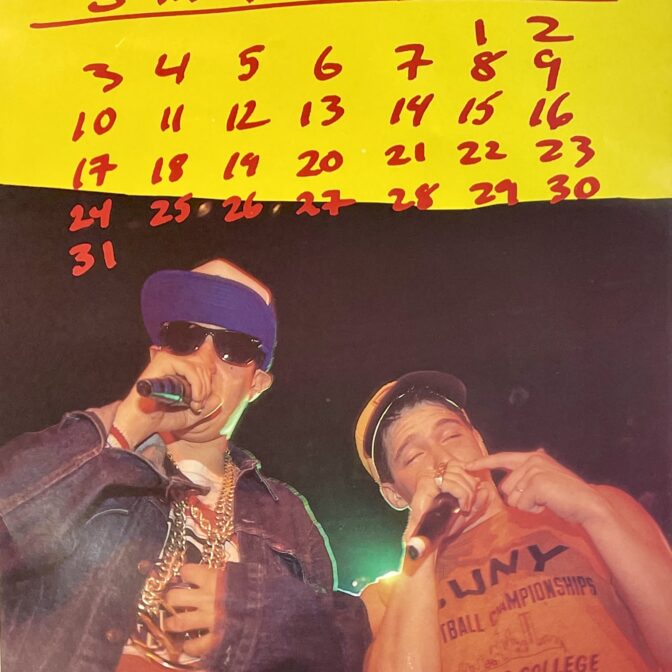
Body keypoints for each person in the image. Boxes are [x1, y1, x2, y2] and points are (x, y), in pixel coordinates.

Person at [0, 258, 369, 672]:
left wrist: (255, 613)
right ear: (157, 356)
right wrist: (123, 429)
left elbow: (345, 645)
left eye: (233, 348)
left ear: (257, 384)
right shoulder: (89, 459)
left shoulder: (285, 514)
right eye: (185, 338)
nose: (203, 362)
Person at [354, 370, 672, 672]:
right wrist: (419, 555)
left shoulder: (594, 511)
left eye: (451, 436)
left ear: (479, 441)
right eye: (414, 456)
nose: (443, 460)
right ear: (394, 495)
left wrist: (595, 512)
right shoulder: (386, 600)